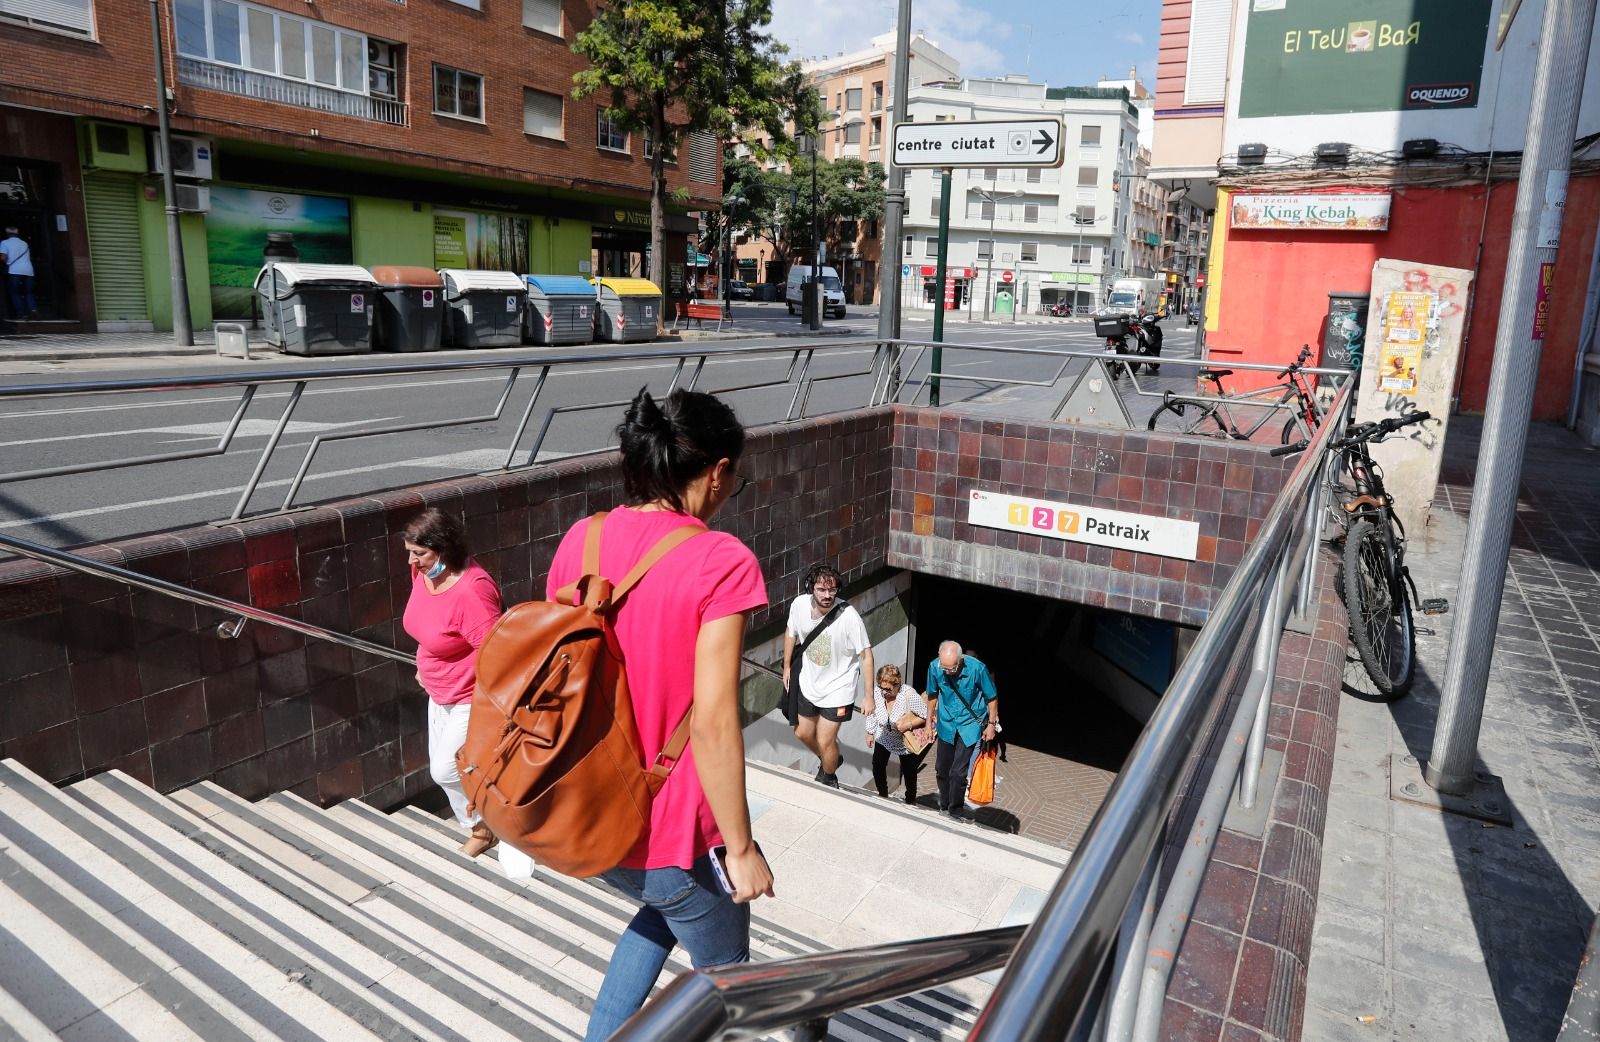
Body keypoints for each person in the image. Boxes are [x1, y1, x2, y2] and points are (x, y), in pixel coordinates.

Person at [545, 386, 775, 1042]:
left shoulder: (581, 542)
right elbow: (712, 721)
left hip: (591, 816)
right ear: (718, 471)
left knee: (662, 912)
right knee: (728, 982)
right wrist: (742, 848)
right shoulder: (721, 562)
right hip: (672, 832)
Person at [400, 508, 504, 857]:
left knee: (445, 771)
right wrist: (423, 660)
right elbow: (427, 623)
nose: (413, 562)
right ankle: (480, 827)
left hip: (468, 695)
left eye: (420, 553)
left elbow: (496, 652)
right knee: (445, 769)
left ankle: (494, 822)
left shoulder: (472, 593)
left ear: (443, 547)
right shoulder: (425, 574)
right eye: (409, 552)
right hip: (437, 689)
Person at [783, 564, 874, 789]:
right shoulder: (799, 605)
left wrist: (868, 696)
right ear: (810, 589)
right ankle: (831, 759)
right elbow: (790, 632)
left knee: (825, 740)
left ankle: (828, 775)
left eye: (832, 590)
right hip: (809, 680)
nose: (827, 595)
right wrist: (786, 666)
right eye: (822, 590)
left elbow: (866, 656)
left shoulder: (849, 617)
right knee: (802, 732)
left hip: (839, 687)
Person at [924, 641, 1000, 821]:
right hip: (947, 722)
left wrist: (990, 725)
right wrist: (928, 723)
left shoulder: (977, 669)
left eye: (951, 669)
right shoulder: (935, 667)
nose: (947, 672)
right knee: (942, 769)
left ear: (961, 660)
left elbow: (992, 698)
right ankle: (944, 804)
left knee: (958, 772)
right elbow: (932, 695)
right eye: (944, 668)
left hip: (970, 724)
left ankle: (955, 810)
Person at [865, 664, 927, 804]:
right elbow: (872, 712)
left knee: (909, 772)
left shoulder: (908, 695)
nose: (884, 692)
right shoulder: (877, 692)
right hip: (884, 735)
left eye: (888, 689)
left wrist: (908, 724)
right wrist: (870, 732)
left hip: (904, 739)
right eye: (882, 688)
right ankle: (883, 794)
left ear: (897, 684)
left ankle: (910, 800)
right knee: (878, 765)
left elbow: (925, 715)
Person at [1, 227, 37, 319]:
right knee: (29, 292)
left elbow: (3, 258)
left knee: (15, 293)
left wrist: (7, 264)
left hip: (14, 271)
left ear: (7, 233)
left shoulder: (4, 243)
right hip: (28, 271)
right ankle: (33, 309)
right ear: (17, 234)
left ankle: (21, 314)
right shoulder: (24, 243)